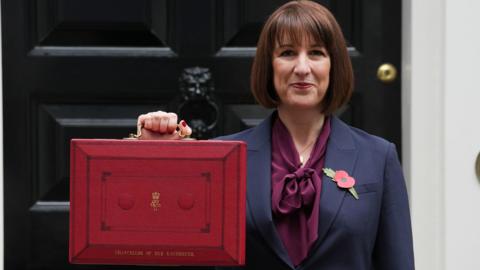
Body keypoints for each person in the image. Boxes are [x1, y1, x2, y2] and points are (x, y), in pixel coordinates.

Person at [137, 1, 414, 269]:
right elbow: (169, 245)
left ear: (334, 65)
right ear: (269, 67)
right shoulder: (221, 157)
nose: (302, 68)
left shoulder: (378, 157)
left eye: (316, 53)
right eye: (287, 53)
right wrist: (156, 159)